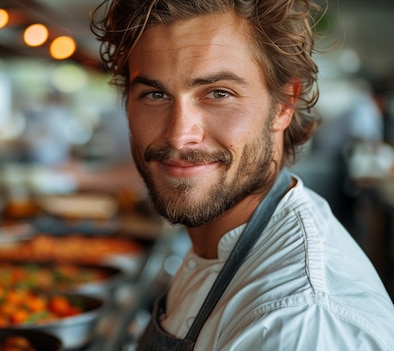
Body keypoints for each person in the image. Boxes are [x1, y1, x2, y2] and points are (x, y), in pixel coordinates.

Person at [91, 0, 394, 350]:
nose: (178, 134)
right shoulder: (214, 242)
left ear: (283, 104)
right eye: (155, 94)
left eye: (218, 93)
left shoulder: (296, 324)